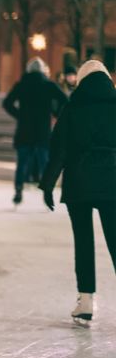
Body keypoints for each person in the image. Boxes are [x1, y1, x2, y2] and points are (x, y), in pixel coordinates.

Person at [40, 61, 116, 328]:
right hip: (112, 184)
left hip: (79, 183)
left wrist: (47, 184)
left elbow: (58, 149)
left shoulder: (72, 108)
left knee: (83, 242)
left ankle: (85, 303)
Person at [3, 57, 68, 205]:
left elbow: (6, 103)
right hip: (42, 131)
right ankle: (47, 193)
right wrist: (55, 113)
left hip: (24, 130)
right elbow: (65, 100)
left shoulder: (21, 85)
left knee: (22, 164)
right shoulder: (49, 85)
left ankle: (18, 191)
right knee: (45, 163)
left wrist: (19, 115)